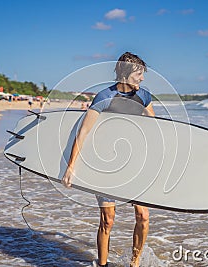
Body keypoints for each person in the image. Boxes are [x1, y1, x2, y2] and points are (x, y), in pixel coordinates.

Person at [62, 52, 155, 267]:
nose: (142, 79)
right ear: (125, 74)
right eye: (138, 75)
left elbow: (155, 130)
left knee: (143, 216)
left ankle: (135, 262)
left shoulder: (145, 97)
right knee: (108, 220)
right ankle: (102, 265)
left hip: (134, 163)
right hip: (105, 163)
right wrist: (71, 166)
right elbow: (83, 132)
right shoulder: (104, 97)